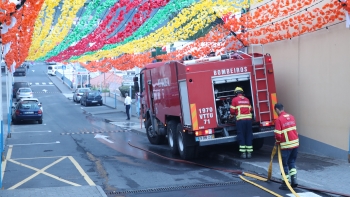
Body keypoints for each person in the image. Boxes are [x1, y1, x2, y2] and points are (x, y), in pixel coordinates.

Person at [274, 103, 299, 190]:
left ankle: (285, 183)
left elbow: (278, 135)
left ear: (277, 109)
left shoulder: (279, 120)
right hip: (295, 144)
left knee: (284, 164)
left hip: (286, 146)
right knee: (291, 162)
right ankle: (294, 181)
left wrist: (277, 142)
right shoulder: (291, 117)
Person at [230, 87, 253, 159]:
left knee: (241, 135)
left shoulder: (235, 100)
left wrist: (231, 116)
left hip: (241, 121)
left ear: (236, 93)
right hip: (249, 121)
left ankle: (243, 153)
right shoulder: (247, 99)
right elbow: (251, 109)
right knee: (249, 135)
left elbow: (232, 111)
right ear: (242, 93)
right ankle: (249, 153)